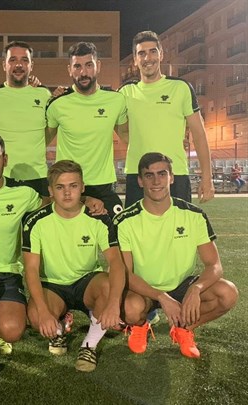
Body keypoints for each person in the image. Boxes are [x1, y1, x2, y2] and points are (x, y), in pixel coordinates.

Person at [0, 131, 105, 369]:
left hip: (8, 273)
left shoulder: (23, 193)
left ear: (5, 159)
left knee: (12, 330)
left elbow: (54, 200)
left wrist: (86, 199)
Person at [113, 152, 238, 358]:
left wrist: (196, 289)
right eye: (149, 175)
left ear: (171, 177)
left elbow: (214, 265)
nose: (156, 181)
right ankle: (140, 325)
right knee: (130, 308)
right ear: (140, 181)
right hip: (144, 288)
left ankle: (184, 328)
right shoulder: (125, 221)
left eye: (162, 174)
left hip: (182, 284)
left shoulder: (194, 215)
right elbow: (126, 274)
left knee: (227, 293)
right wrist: (161, 297)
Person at [23, 160, 127, 372]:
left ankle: (89, 345)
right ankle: (60, 327)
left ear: (82, 188)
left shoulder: (98, 218)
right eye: (60, 187)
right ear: (51, 191)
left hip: (86, 281)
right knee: (35, 316)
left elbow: (116, 262)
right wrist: (43, 311)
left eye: (73, 186)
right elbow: (31, 270)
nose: (67, 193)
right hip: (53, 285)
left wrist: (114, 303)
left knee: (108, 287)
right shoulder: (35, 221)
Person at [118, 31, 214, 207]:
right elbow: (118, 127)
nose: (148, 58)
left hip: (175, 174)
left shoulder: (181, 88)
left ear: (161, 55)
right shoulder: (125, 92)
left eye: (153, 51)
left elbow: (199, 134)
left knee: (178, 225)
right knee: (137, 225)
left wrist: (207, 177)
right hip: (138, 175)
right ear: (135, 59)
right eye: (142, 53)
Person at [46, 42, 127, 217]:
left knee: (116, 233)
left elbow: (128, 137)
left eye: (89, 65)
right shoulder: (57, 104)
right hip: (69, 186)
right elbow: (42, 140)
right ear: (70, 69)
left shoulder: (116, 100)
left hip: (103, 185)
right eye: (77, 66)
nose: (83, 72)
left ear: (98, 66)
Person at [0, 41, 51, 196]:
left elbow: (50, 132)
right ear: (4, 65)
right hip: (2, 177)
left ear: (31, 65)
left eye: (24, 60)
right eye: (13, 60)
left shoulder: (44, 94)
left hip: (38, 177)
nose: (19, 65)